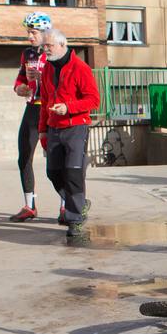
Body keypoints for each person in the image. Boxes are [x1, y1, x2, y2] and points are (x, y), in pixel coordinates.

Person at [37, 29, 100, 246]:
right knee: (53, 173)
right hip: (54, 128)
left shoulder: (80, 68)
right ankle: (79, 202)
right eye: (44, 46)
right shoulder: (47, 69)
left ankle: (75, 219)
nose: (45, 50)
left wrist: (69, 107)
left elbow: (93, 100)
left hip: (76, 127)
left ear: (62, 45)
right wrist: (42, 130)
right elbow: (44, 101)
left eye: (49, 46)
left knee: (73, 173)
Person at [9, 13, 53, 222]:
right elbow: (19, 78)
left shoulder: (55, 52)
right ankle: (30, 205)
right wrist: (20, 88)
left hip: (51, 109)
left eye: (33, 32)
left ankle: (66, 205)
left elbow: (63, 82)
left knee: (55, 159)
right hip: (32, 108)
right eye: (28, 32)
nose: (30, 36)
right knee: (24, 156)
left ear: (45, 33)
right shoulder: (27, 54)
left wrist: (43, 78)